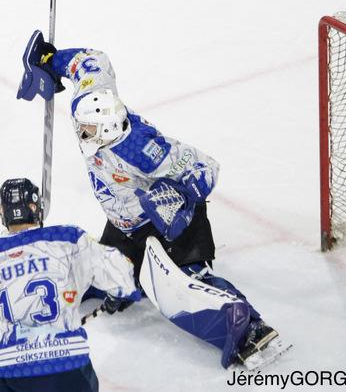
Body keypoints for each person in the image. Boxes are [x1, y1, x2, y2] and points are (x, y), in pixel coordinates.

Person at [16, 32, 283, 368]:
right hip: (124, 222)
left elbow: (206, 168)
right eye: (81, 126)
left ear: (107, 131)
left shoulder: (143, 152)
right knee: (101, 271)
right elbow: (91, 61)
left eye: (86, 130)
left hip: (171, 224)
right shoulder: (91, 107)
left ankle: (249, 330)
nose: (79, 131)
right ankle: (126, 283)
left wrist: (179, 197)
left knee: (183, 290)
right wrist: (49, 63)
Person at [0, 178, 139, 392]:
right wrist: (118, 296)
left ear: (2, 213)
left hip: (10, 367)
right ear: (35, 207)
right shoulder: (67, 238)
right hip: (68, 363)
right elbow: (119, 271)